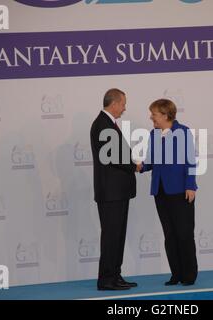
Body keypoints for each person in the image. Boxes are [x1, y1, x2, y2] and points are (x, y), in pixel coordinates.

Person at [139, 98, 198, 286]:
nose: (151, 117)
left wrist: (191, 185)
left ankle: (188, 275)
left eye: (154, 114)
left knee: (184, 234)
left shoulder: (183, 132)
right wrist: (139, 166)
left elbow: (190, 161)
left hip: (181, 191)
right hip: (160, 191)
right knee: (170, 235)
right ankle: (176, 274)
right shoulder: (153, 134)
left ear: (165, 114)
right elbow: (151, 161)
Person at [90, 88, 140, 291]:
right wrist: (135, 165)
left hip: (117, 192)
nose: (125, 108)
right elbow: (114, 156)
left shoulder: (107, 123)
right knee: (111, 236)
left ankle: (115, 275)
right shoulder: (103, 124)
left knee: (117, 235)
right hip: (111, 194)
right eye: (123, 104)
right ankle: (106, 280)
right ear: (114, 103)